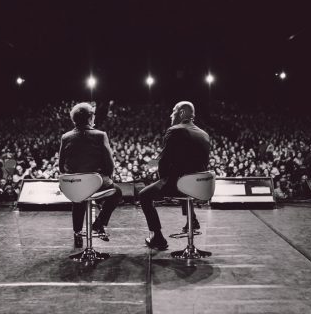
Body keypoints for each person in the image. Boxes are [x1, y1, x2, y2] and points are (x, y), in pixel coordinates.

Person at [139, 101, 211, 250]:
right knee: (183, 181)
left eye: (174, 111)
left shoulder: (175, 130)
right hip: (202, 185)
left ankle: (157, 238)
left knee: (144, 195)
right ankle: (193, 220)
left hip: (181, 184)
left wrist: (163, 179)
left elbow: (164, 162)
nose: (171, 115)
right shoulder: (204, 134)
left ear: (182, 113)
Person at [58, 102, 122, 248]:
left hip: (73, 186)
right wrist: (104, 178)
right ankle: (99, 224)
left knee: (78, 197)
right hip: (95, 184)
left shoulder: (65, 137)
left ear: (74, 120)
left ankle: (77, 234)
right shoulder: (100, 135)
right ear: (90, 118)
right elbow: (110, 164)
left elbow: (61, 166)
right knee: (117, 192)